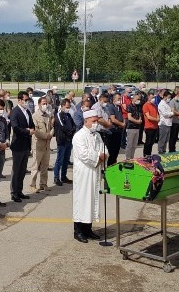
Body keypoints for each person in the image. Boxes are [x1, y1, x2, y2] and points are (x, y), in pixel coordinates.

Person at [71, 110, 107, 243]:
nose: (96, 124)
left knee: (92, 200)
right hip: (84, 173)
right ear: (86, 121)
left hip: (95, 171)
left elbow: (104, 149)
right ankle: (78, 231)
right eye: (93, 121)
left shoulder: (97, 135)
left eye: (97, 121)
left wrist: (103, 156)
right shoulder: (79, 136)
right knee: (82, 200)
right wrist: (99, 157)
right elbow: (84, 154)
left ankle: (88, 229)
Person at [9, 91, 35, 202]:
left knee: (23, 170)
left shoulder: (27, 111)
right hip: (18, 145)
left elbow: (32, 124)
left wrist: (32, 129)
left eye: (28, 100)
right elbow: (15, 127)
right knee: (16, 170)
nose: (27, 102)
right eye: (25, 100)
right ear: (19, 100)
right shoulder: (15, 112)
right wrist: (27, 131)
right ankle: (14, 193)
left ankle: (19, 191)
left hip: (26, 145)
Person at [29, 97, 54, 193]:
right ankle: (33, 185)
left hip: (47, 145)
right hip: (38, 145)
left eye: (46, 103)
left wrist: (51, 134)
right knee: (35, 167)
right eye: (43, 103)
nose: (45, 105)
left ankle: (43, 184)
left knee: (45, 166)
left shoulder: (48, 115)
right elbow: (35, 131)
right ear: (39, 104)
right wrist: (46, 136)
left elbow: (52, 127)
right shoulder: (35, 116)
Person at [53, 99, 74, 186]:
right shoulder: (58, 115)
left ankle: (63, 176)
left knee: (66, 159)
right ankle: (56, 177)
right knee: (59, 160)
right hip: (62, 140)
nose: (68, 109)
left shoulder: (68, 115)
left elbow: (73, 125)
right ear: (62, 106)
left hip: (69, 140)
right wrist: (69, 131)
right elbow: (62, 126)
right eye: (66, 107)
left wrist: (72, 131)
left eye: (69, 107)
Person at [106, 94, 125, 165]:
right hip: (113, 131)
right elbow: (113, 119)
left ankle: (114, 163)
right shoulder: (111, 107)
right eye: (118, 99)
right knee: (112, 150)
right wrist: (121, 124)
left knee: (117, 149)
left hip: (119, 130)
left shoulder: (119, 107)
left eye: (120, 99)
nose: (120, 100)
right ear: (114, 99)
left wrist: (123, 123)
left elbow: (122, 116)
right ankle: (110, 165)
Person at [124, 93, 143, 160]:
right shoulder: (130, 106)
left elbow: (140, 114)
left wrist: (140, 119)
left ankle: (132, 158)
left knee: (134, 145)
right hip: (131, 127)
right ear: (133, 99)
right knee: (129, 144)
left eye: (139, 99)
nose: (139, 100)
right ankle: (127, 158)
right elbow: (129, 117)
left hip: (137, 128)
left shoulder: (138, 106)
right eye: (137, 99)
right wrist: (137, 121)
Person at [142, 92, 159, 156]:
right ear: (148, 98)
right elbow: (148, 117)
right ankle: (146, 154)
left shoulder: (154, 105)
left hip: (155, 126)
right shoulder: (145, 105)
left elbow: (157, 114)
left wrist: (158, 118)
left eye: (154, 97)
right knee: (148, 142)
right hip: (149, 127)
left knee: (152, 142)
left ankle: (149, 154)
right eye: (152, 98)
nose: (153, 99)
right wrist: (156, 119)